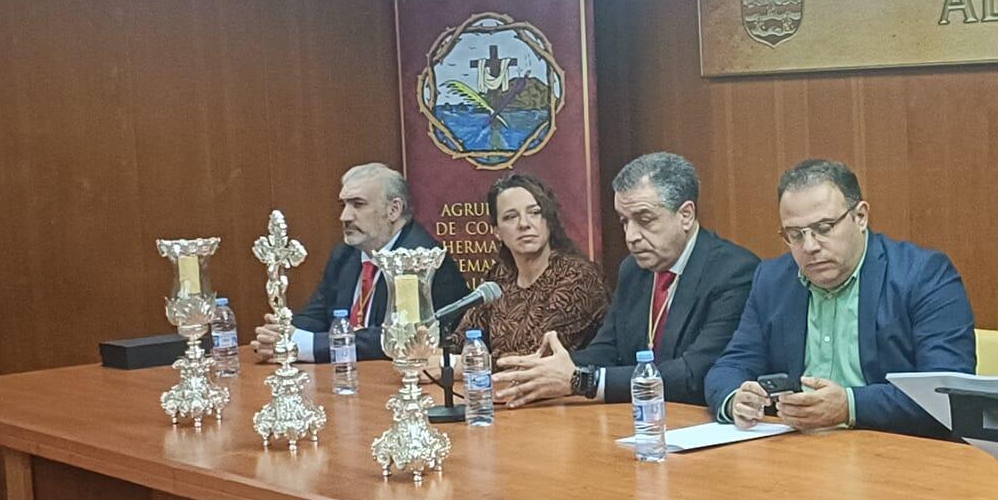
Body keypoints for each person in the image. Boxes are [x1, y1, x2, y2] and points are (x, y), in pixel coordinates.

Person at [705, 159, 976, 438]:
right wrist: (736, 399)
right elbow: (730, 366)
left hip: (892, 446)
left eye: (824, 228)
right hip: (795, 447)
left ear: (860, 217)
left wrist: (850, 406)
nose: (809, 246)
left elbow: (946, 393)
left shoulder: (923, 275)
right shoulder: (772, 280)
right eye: (795, 235)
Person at [489, 152, 758, 407]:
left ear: (685, 215)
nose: (631, 237)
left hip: (698, 424)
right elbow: (607, 350)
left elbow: (693, 374)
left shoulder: (733, 272)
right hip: (638, 419)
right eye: (624, 222)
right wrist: (546, 371)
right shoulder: (634, 270)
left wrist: (583, 381)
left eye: (644, 220)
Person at [253, 162, 470, 363]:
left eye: (358, 204)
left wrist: (304, 345)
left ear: (393, 210)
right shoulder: (345, 254)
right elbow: (316, 315)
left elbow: (397, 338)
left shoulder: (418, 259)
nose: (345, 217)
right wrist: (281, 336)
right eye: (344, 205)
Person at [448, 171, 609, 363]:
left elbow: (533, 357)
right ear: (497, 232)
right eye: (510, 217)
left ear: (549, 221)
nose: (524, 224)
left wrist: (466, 364)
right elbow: (460, 342)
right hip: (499, 381)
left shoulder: (578, 277)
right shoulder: (499, 277)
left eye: (534, 213)